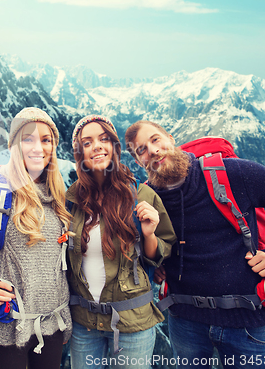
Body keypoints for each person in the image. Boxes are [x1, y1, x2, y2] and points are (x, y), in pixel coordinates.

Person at [125, 120, 265, 369]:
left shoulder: (236, 174)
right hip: (184, 321)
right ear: (139, 161)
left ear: (170, 138)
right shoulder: (147, 199)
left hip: (247, 319)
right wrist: (158, 264)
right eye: (141, 150)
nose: (152, 151)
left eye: (155, 140)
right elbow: (146, 245)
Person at [67, 115, 176, 369]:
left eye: (104, 139)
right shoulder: (71, 201)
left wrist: (148, 234)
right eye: (87, 142)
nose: (97, 146)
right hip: (84, 323)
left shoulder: (141, 194)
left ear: (115, 147)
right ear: (79, 153)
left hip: (132, 322)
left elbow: (162, 252)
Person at [0, 107, 72, 369]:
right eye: (28, 139)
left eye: (46, 139)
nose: (38, 147)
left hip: (51, 328)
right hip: (7, 330)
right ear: (14, 144)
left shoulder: (59, 196)